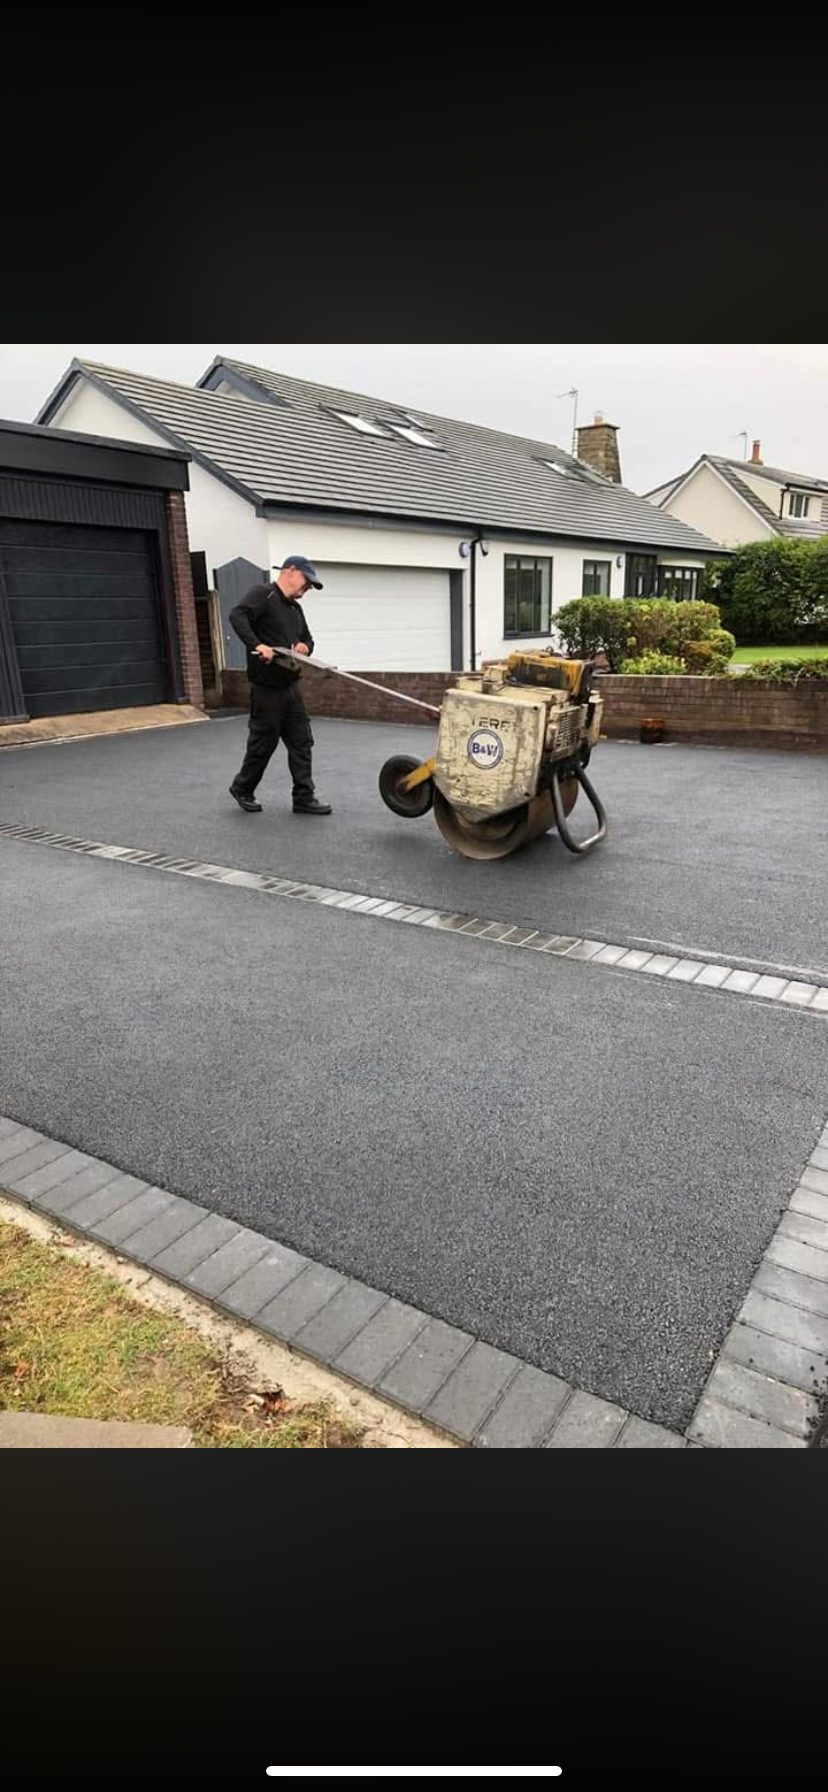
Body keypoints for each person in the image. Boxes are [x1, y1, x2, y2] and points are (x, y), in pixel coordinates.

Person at [227, 555, 332, 816]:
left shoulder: (295, 609)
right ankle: (242, 788)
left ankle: (303, 798)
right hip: (266, 688)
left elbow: (308, 639)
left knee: (302, 742)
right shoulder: (264, 594)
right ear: (291, 571)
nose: (307, 589)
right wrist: (257, 645)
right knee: (263, 744)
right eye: (306, 583)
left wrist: (304, 647)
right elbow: (237, 615)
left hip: (290, 686)